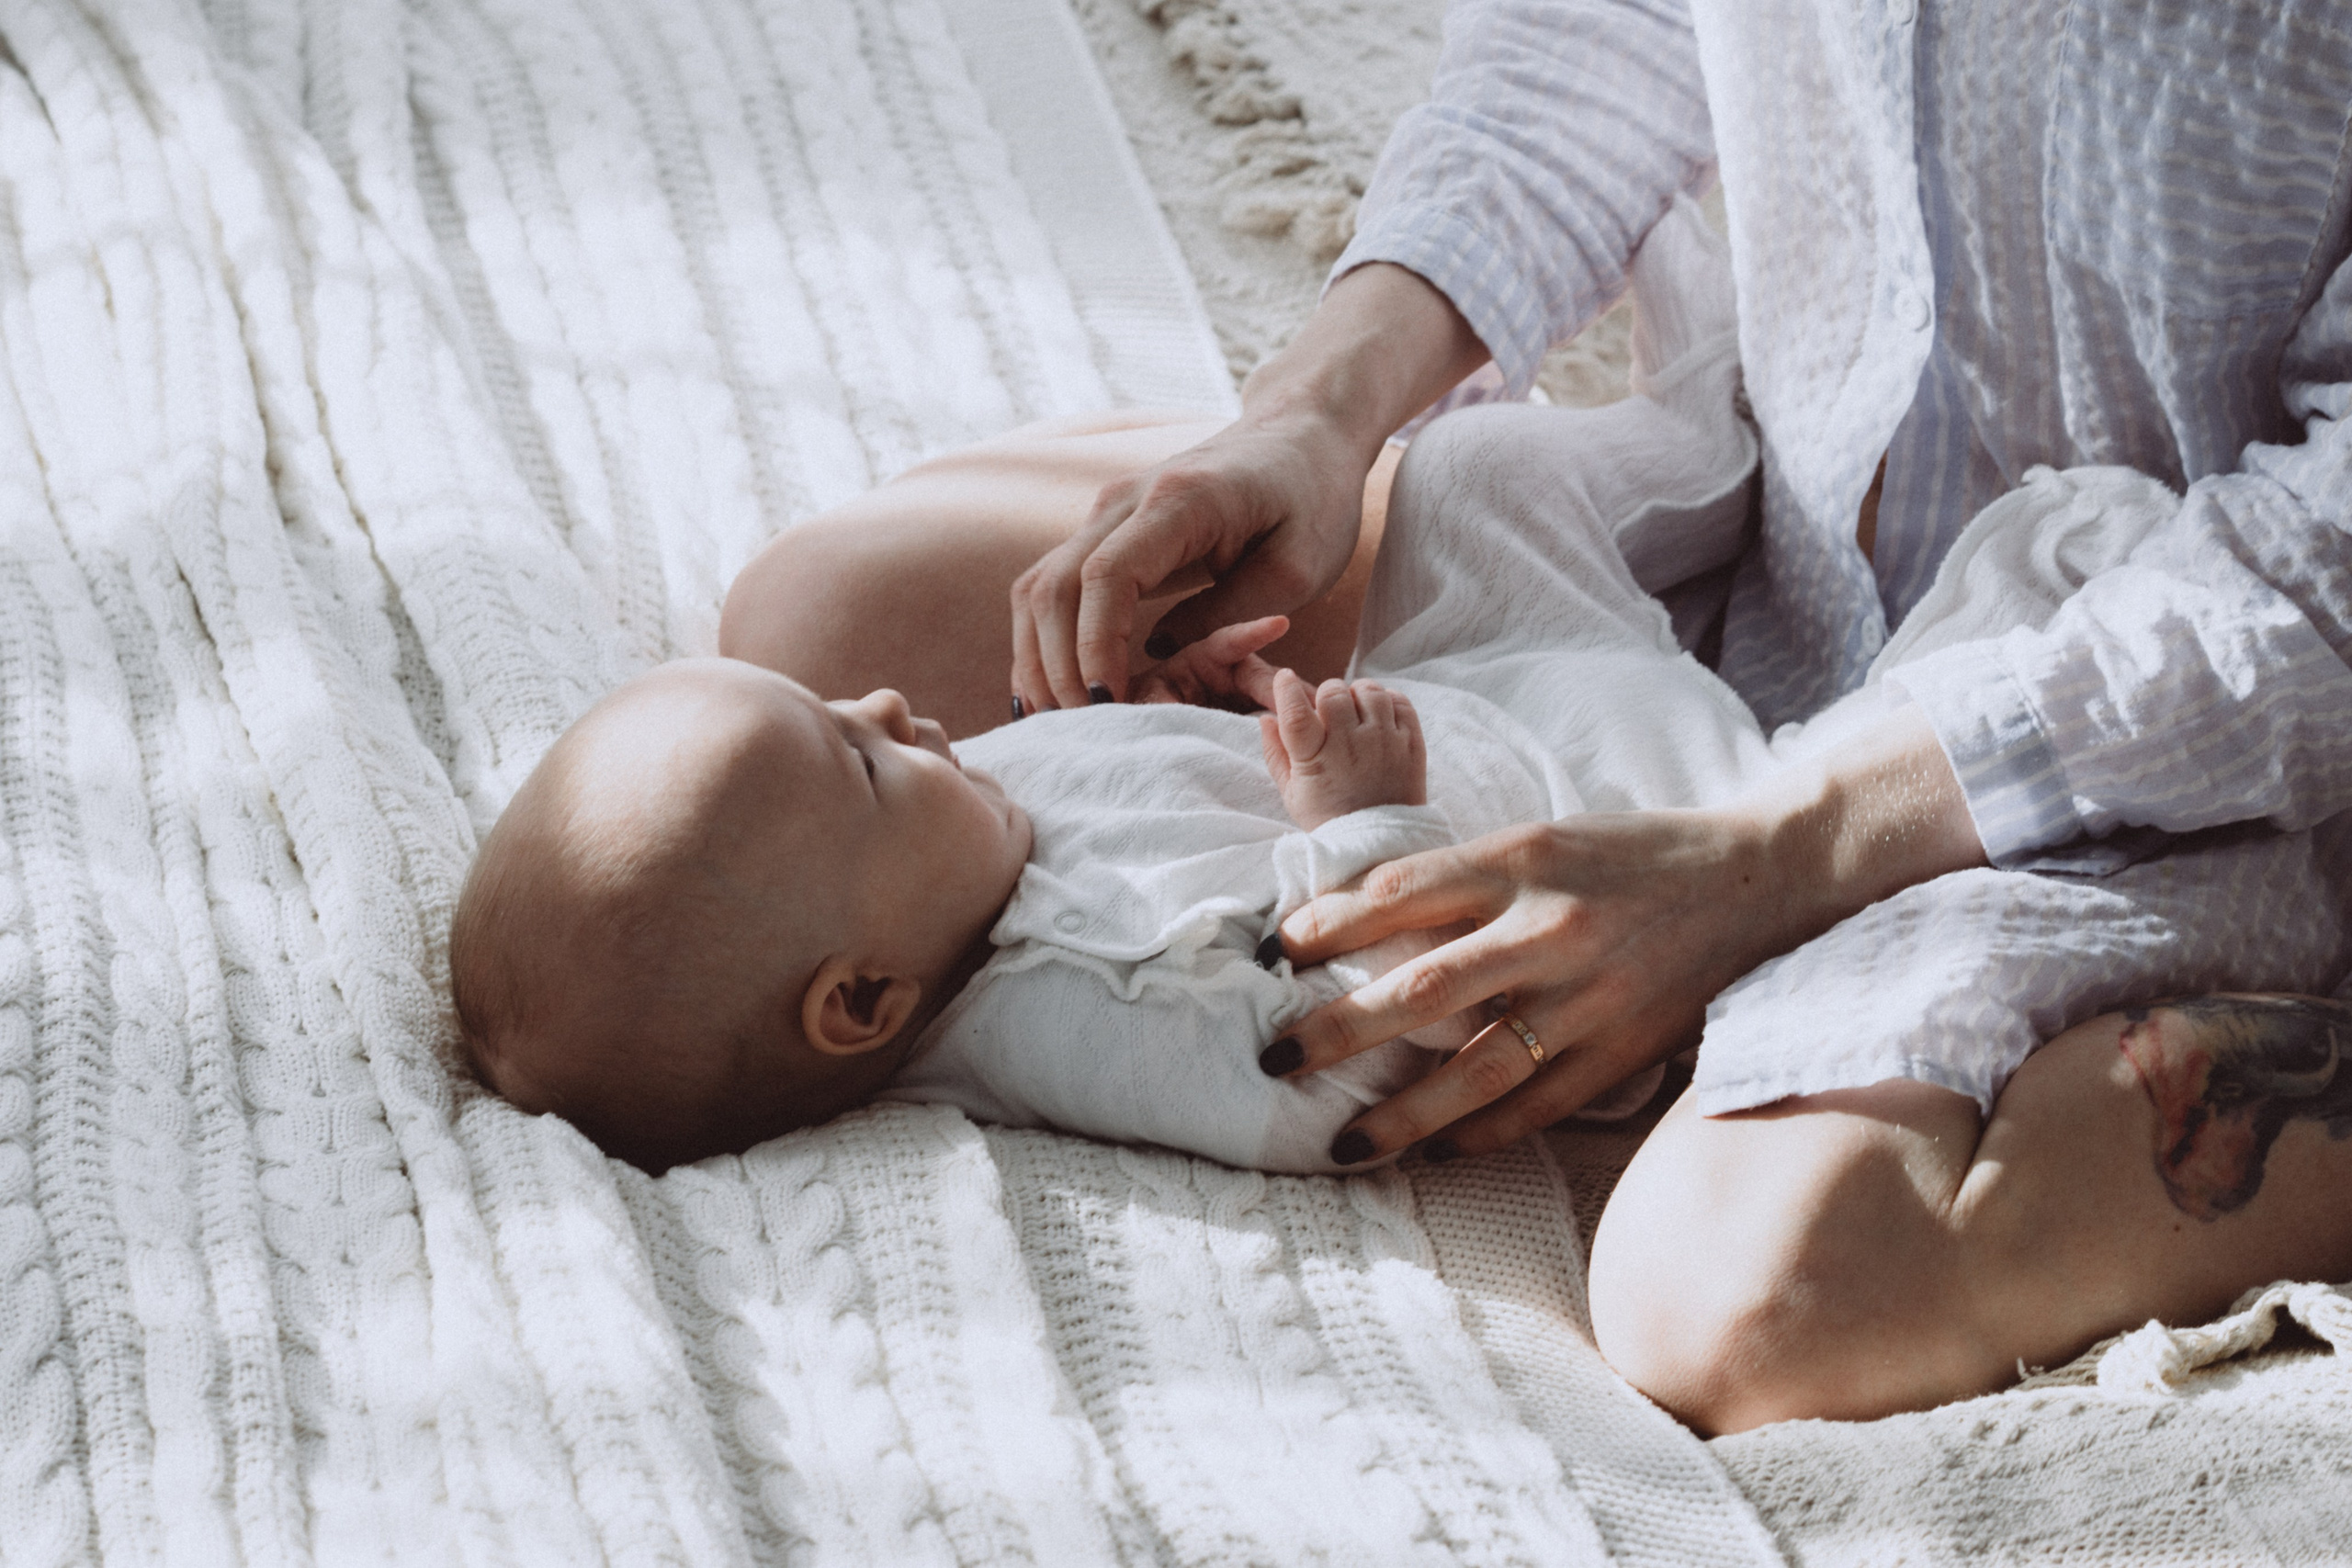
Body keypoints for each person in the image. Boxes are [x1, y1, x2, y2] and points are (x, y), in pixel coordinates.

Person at [724, 4, 2352, 1430]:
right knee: (826, 623)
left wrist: (1777, 853)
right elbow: (1597, 35)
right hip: (1763, 531)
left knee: (1748, 1306)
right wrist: (1312, 419)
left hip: (2184, 706)